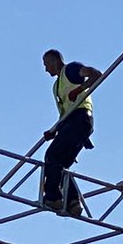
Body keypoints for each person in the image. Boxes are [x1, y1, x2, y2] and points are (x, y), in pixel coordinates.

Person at [41, 48, 101, 216]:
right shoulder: (56, 86)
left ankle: (54, 197)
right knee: (60, 164)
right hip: (72, 123)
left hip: (80, 119)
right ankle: (73, 202)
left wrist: (80, 89)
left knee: (52, 156)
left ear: (54, 61)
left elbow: (96, 74)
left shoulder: (71, 70)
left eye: (47, 65)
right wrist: (54, 130)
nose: (46, 69)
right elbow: (65, 113)